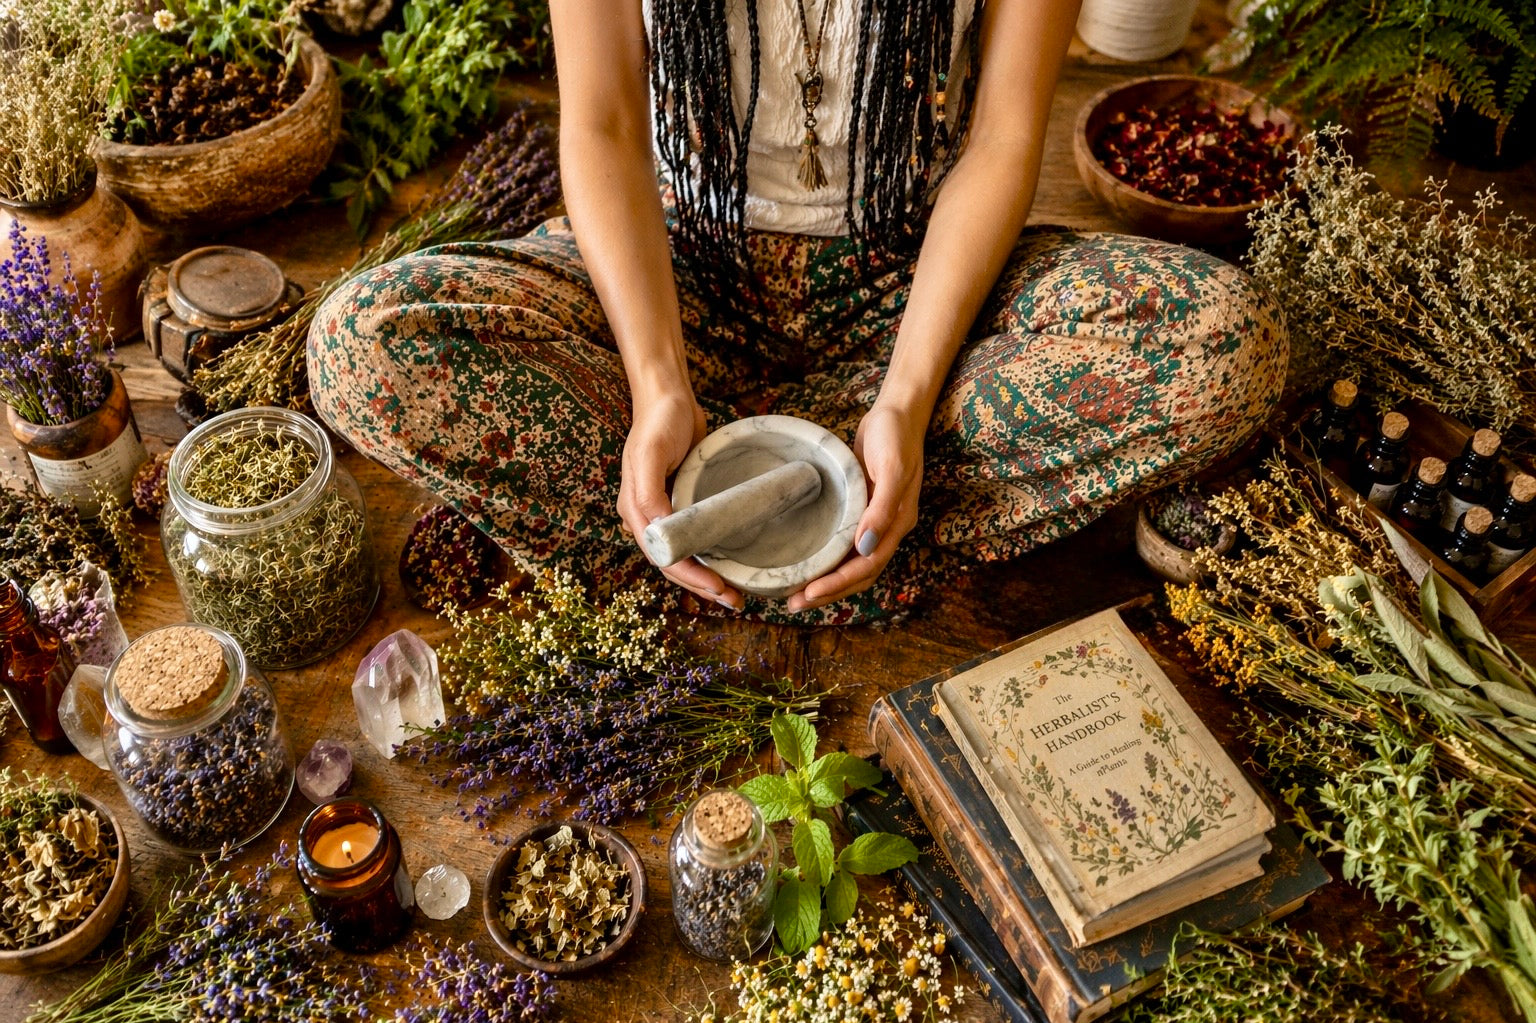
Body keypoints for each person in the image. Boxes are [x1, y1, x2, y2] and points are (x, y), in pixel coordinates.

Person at [307, 0, 1287, 625]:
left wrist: (906, 397)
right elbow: (602, 124)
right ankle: (786, 513)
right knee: (360, 344)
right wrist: (655, 386)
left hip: (913, 281)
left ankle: (756, 525)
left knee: (1226, 342)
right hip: (676, 271)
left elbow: (1000, 141)